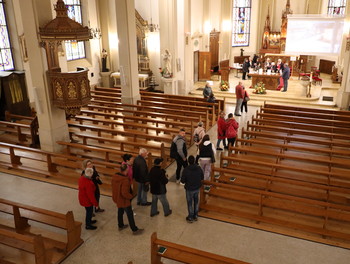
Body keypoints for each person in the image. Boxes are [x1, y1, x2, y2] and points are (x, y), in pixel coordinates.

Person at [112, 164, 143, 235]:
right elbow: (124, 192)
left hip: (117, 198)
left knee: (120, 211)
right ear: (126, 170)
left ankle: (120, 225)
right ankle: (134, 230)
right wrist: (130, 196)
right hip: (124, 200)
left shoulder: (115, 176)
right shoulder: (125, 180)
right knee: (130, 214)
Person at [180, 155, 204, 223]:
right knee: (196, 202)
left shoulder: (186, 169)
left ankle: (190, 217)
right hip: (197, 188)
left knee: (190, 203)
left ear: (188, 161)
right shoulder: (199, 168)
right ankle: (195, 215)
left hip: (189, 189)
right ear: (194, 161)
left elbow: (182, 181)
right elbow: (202, 177)